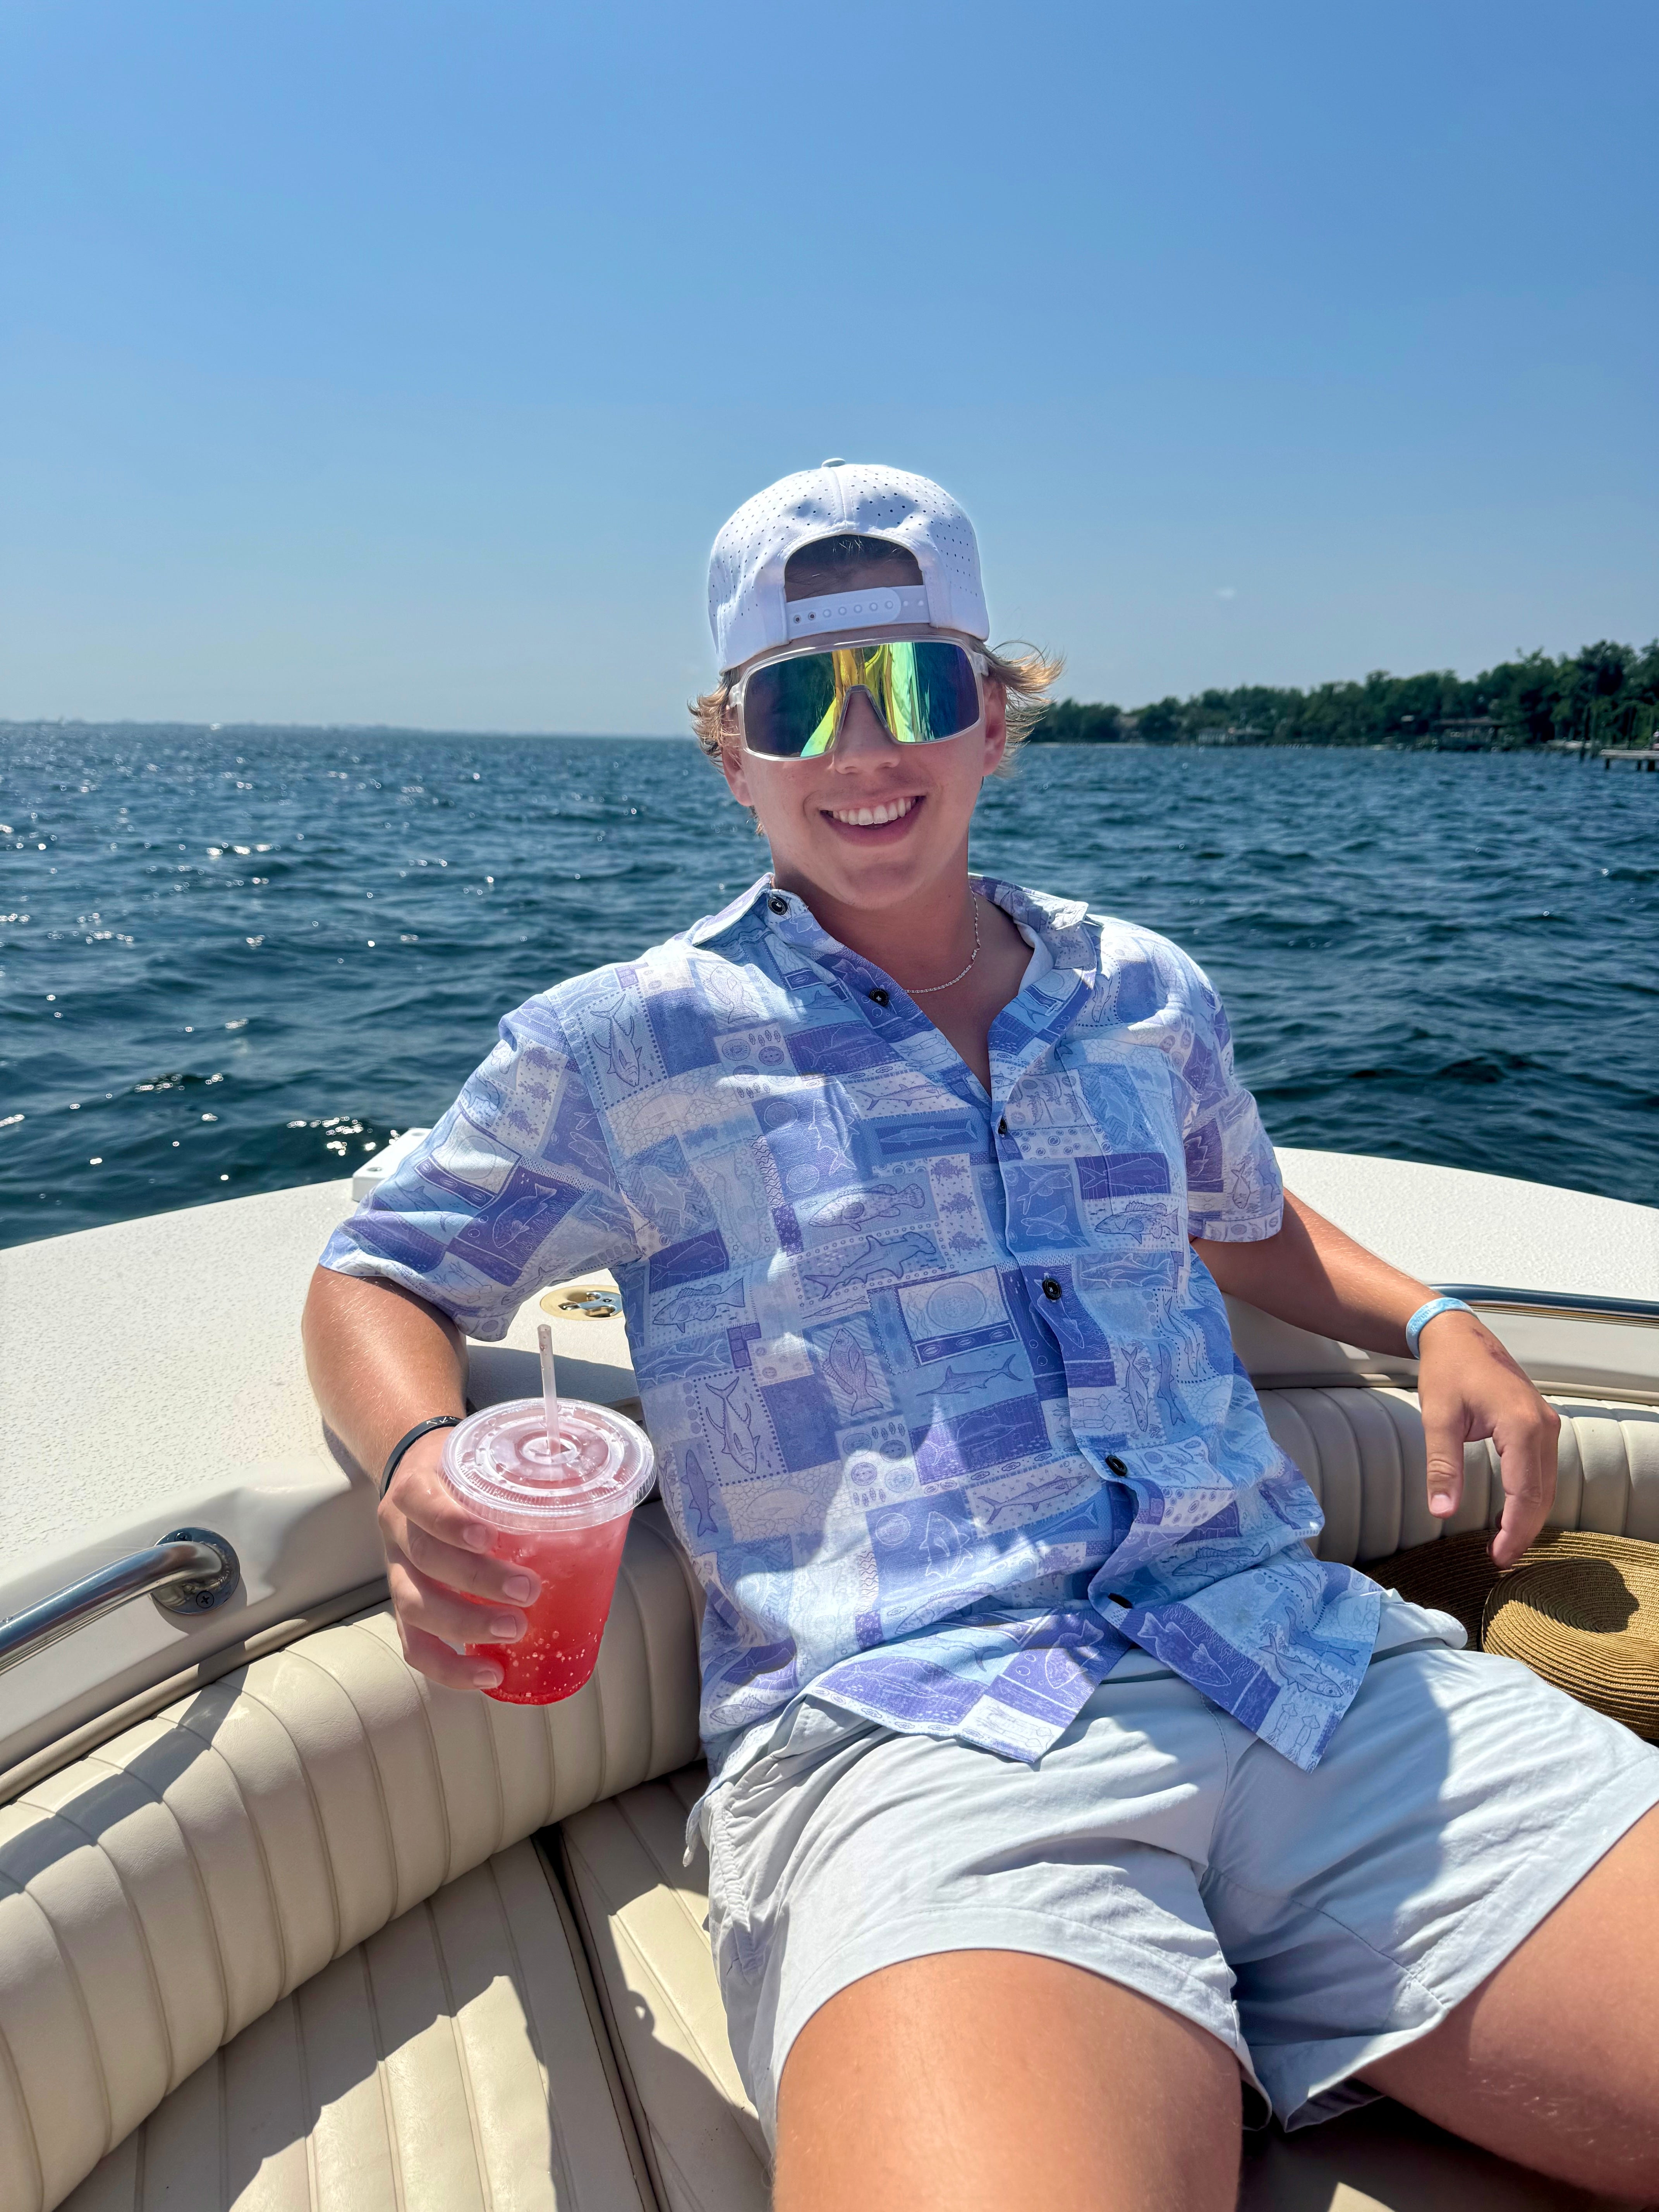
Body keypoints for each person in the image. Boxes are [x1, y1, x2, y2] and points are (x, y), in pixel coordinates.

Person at [303, 462, 1659, 2212]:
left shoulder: (1147, 994)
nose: (869, 749)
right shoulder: (621, 1046)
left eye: (922, 686)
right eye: (805, 701)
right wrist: (423, 1462)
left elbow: (1233, 1212)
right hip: (915, 1741)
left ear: (998, 722)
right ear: (736, 756)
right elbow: (380, 1271)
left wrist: (1435, 1317)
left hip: (1305, 1658)